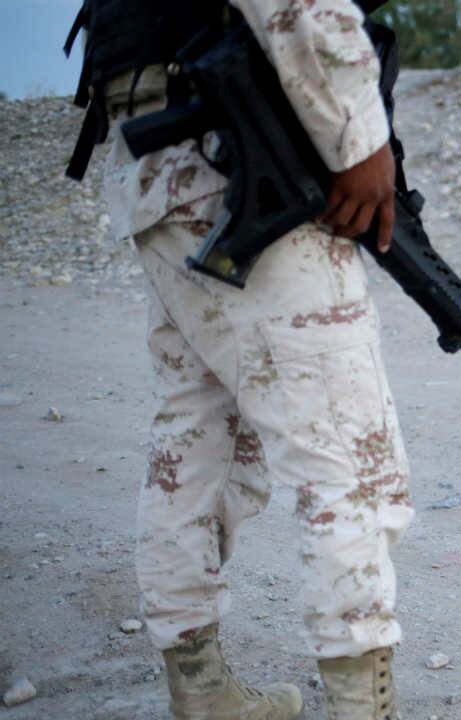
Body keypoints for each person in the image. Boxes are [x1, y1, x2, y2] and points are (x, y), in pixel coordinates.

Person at [68, 1, 412, 717]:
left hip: (158, 154)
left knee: (198, 438)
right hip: (232, 146)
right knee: (349, 454)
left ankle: (200, 690)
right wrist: (360, 133)